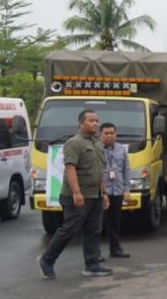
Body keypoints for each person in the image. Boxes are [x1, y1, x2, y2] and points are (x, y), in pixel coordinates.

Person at [37, 109, 113, 278]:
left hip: (95, 195)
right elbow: (70, 168)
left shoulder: (97, 143)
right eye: (91, 120)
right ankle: (47, 260)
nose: (95, 123)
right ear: (81, 123)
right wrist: (76, 193)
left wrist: (104, 193)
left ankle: (92, 264)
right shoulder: (74, 143)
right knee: (70, 229)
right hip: (77, 195)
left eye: (97, 120)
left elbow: (99, 170)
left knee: (94, 229)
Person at [99, 122, 131, 260]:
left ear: (116, 134)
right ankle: (95, 253)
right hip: (101, 191)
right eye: (106, 133)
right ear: (100, 135)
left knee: (115, 221)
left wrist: (127, 189)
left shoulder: (121, 149)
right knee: (97, 223)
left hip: (117, 190)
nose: (109, 135)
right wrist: (102, 192)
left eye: (112, 133)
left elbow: (126, 169)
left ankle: (115, 249)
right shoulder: (96, 149)